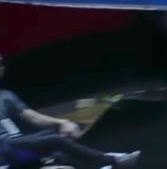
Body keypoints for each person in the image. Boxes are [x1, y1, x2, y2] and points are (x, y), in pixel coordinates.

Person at [0, 55, 140, 169]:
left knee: (55, 139)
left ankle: (55, 164)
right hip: (4, 150)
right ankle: (111, 160)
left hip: (17, 148)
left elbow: (34, 118)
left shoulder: (6, 96)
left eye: (1, 64)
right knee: (53, 140)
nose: (1, 68)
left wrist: (62, 122)